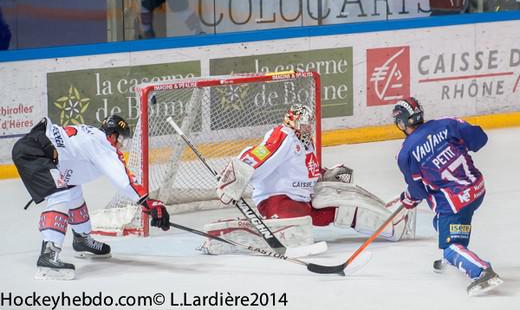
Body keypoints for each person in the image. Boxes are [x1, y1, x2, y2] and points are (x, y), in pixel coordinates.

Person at [202, 104, 415, 255]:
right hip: (278, 199)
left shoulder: (306, 142)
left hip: (303, 200)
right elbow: (260, 154)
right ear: (292, 122)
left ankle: (391, 226)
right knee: (297, 232)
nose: (307, 127)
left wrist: (326, 174)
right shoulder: (283, 135)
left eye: (309, 123)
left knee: (343, 205)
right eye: (303, 123)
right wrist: (234, 179)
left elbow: (306, 170)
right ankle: (225, 233)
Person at [12, 115, 170, 280]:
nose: (121, 144)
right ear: (112, 135)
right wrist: (148, 203)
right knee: (60, 196)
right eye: (120, 138)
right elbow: (123, 179)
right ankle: (48, 257)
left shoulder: (94, 135)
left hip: (38, 146)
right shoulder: (102, 144)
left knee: (72, 190)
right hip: (36, 152)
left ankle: (82, 240)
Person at [392, 97, 503, 296]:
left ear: (401, 123)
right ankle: (459, 252)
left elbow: (418, 192)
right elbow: (480, 138)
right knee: (440, 222)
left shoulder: (405, 154)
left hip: (455, 202)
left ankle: (481, 271)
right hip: (477, 188)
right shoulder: (447, 123)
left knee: (450, 249)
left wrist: (409, 198)